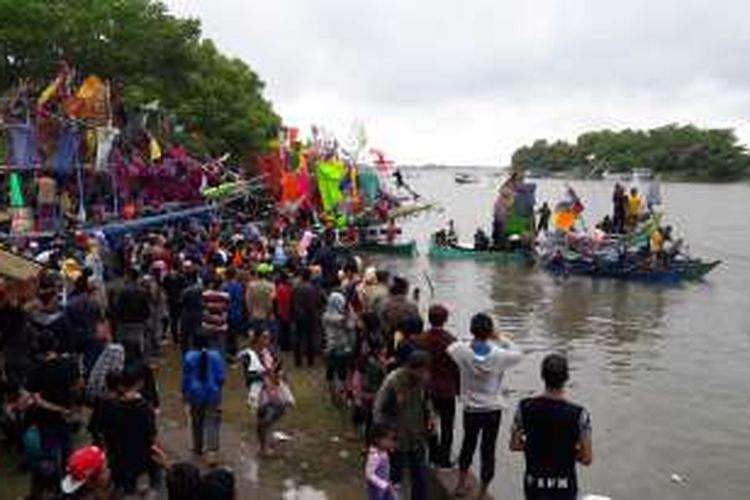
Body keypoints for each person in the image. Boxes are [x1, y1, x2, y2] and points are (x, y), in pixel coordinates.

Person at [448, 313, 523, 498]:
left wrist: (469, 339)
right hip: (492, 409)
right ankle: (482, 493)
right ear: (490, 331)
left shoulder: (461, 351)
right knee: (488, 451)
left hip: (471, 410)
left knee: (468, 445)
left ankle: (460, 485)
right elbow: (518, 352)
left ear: (472, 330)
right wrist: (499, 337)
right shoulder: (500, 355)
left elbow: (451, 347)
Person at [510, 354, 593, 500]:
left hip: (534, 485)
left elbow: (515, 445)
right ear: (567, 378)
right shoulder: (579, 414)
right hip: (564, 487)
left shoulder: (524, 407)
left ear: (542, 376)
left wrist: (534, 446)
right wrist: (565, 450)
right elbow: (586, 458)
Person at [373, 350, 433, 500]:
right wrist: (382, 437)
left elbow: (427, 402)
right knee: (395, 477)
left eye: (427, 370)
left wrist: (431, 417)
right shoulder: (393, 381)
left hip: (417, 435)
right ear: (412, 368)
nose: (426, 374)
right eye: (423, 370)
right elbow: (378, 409)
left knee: (421, 477)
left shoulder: (423, 380)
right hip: (396, 437)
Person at [98, 363, 160, 496]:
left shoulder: (108, 406)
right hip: (141, 458)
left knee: (126, 489)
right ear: (140, 383)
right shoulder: (145, 407)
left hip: (118, 457)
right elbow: (152, 435)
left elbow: (104, 433)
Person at [26, 332, 81, 474]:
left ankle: (51, 486)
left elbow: (37, 400)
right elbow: (77, 387)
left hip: (46, 416)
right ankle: (70, 483)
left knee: (49, 453)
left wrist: (58, 409)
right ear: (55, 344)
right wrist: (71, 409)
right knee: (67, 449)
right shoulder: (70, 363)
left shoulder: (36, 369)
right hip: (66, 414)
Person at [416, 305, 459, 469]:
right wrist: (459, 389)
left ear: (429, 318)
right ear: (446, 320)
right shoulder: (452, 341)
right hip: (447, 390)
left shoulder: (420, 339)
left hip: (427, 389)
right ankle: (444, 458)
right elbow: (457, 368)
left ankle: (433, 454)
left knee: (430, 422)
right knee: (448, 426)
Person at [241, 330, 294, 457]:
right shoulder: (249, 355)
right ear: (257, 339)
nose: (267, 340)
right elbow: (249, 376)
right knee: (263, 417)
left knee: (277, 411)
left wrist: (279, 373)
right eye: (264, 337)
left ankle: (266, 439)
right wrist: (264, 373)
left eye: (268, 337)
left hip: (274, 387)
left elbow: (279, 366)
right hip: (259, 390)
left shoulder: (271, 351)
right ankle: (263, 446)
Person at [182, 334, 226, 462]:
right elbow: (221, 378)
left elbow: (186, 378)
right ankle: (212, 452)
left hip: (195, 393)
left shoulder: (189, 356)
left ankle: (198, 447)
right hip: (213, 393)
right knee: (212, 421)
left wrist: (184, 393)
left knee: (196, 420)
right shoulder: (216, 356)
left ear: (193, 343)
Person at [322, 291, 356, 406]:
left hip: (330, 348)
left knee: (330, 373)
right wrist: (350, 312)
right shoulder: (341, 318)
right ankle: (343, 396)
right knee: (342, 374)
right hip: (342, 349)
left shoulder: (325, 315)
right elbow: (349, 325)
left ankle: (333, 396)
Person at [291, 268, 326, 367]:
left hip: (299, 316)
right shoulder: (314, 288)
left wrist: (293, 314)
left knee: (298, 338)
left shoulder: (296, 288)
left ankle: (298, 361)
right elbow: (320, 302)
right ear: (310, 276)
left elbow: (292, 302)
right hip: (311, 316)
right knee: (310, 338)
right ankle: (310, 361)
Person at [112, 267, 151, 357]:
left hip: (125, 323)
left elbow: (118, 308)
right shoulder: (142, 291)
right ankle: (139, 362)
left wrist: (118, 319)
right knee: (139, 345)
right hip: (139, 322)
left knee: (124, 346)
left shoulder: (122, 292)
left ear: (129, 277)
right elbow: (146, 309)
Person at [365, 424, 398, 500]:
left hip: (385, 484)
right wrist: (383, 484)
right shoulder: (374, 456)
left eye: (392, 440)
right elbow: (369, 474)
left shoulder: (383, 450)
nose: (391, 442)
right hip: (377, 488)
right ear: (377, 439)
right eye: (388, 440)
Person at [202, 274, 230, 354]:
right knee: (221, 348)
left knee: (209, 348)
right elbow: (227, 308)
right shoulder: (225, 296)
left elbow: (203, 307)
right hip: (221, 325)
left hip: (208, 325)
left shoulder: (205, 295)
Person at [245, 265, 276, 337]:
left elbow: (248, 301)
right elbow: (272, 301)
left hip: (254, 314)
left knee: (254, 336)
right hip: (267, 315)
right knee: (266, 336)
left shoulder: (251, 285)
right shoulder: (271, 286)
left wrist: (250, 312)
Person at [222, 267, 245, 358]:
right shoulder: (237, 285)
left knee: (228, 333)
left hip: (227, 311)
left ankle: (228, 351)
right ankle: (233, 352)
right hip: (235, 312)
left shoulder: (224, 286)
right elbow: (240, 298)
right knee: (234, 334)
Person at [179, 266, 204, 353]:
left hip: (187, 313)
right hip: (198, 313)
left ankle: (185, 351)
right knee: (197, 332)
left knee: (185, 335)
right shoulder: (201, 288)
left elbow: (181, 301)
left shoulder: (186, 291)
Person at [274, 273, 293, 352]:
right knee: (285, 329)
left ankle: (283, 345)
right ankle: (285, 345)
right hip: (285, 311)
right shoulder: (285, 288)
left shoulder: (279, 288)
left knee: (283, 329)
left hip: (281, 311)